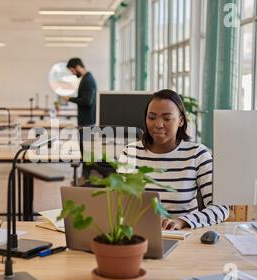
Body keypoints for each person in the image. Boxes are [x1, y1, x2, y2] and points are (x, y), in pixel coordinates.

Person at [119, 89, 229, 230]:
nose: (158, 124)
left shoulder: (198, 154)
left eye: (167, 118)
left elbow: (221, 208)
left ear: (181, 121)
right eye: (152, 118)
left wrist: (183, 221)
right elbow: (121, 203)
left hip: (184, 238)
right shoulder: (130, 152)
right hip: (140, 235)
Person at [62, 58, 97, 127]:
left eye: (72, 70)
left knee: (85, 138)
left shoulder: (88, 80)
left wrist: (69, 99)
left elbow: (87, 101)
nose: (73, 73)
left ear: (77, 67)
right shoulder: (85, 78)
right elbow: (84, 98)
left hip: (87, 123)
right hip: (85, 121)